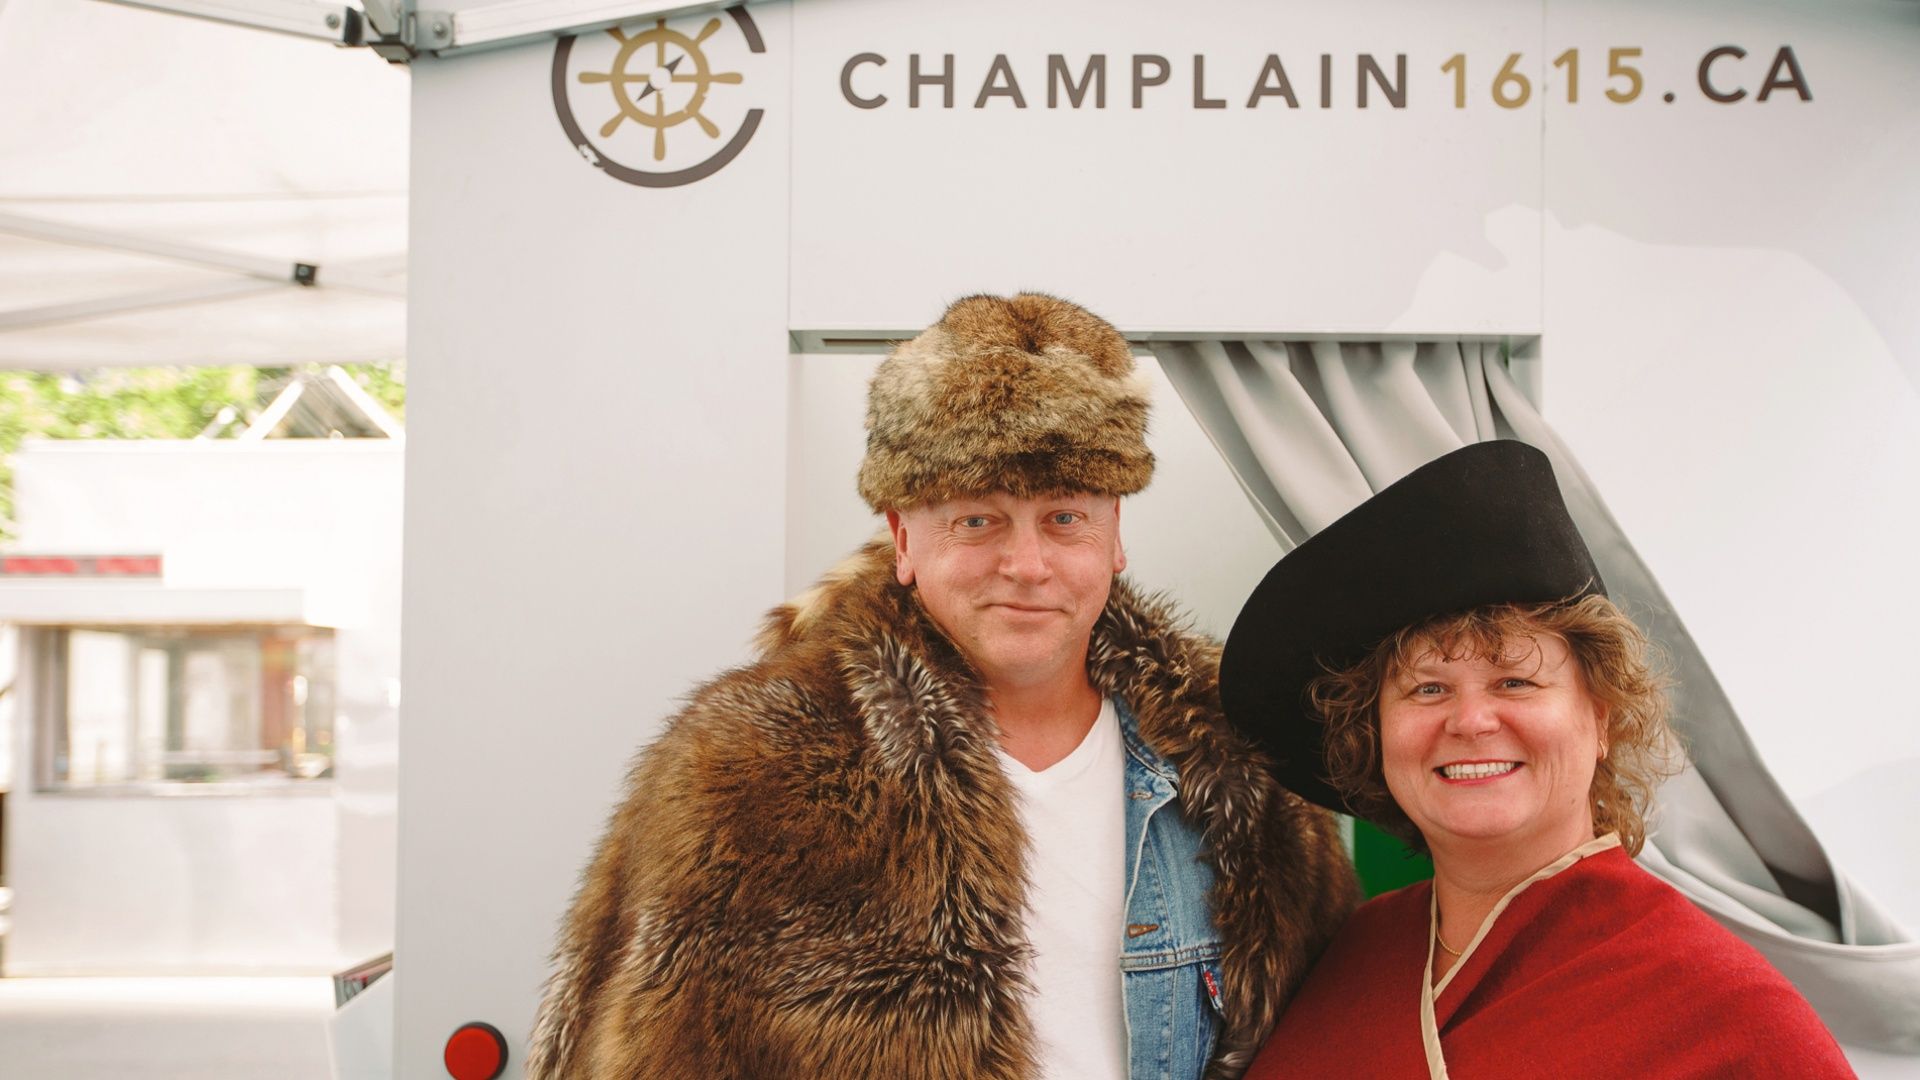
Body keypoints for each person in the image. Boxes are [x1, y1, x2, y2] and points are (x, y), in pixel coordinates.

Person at [527, 293, 1359, 1080]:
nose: (1026, 564)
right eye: (977, 519)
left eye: (1064, 517)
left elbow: (1328, 1036)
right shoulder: (750, 763)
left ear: (1114, 538)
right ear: (902, 540)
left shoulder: (1241, 766)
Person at [1218, 439, 1854, 1079]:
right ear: (1373, 732)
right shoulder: (1351, 954)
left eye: (1515, 681)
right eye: (1428, 688)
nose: (1469, 721)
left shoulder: (1737, 1020)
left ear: (1601, 717)